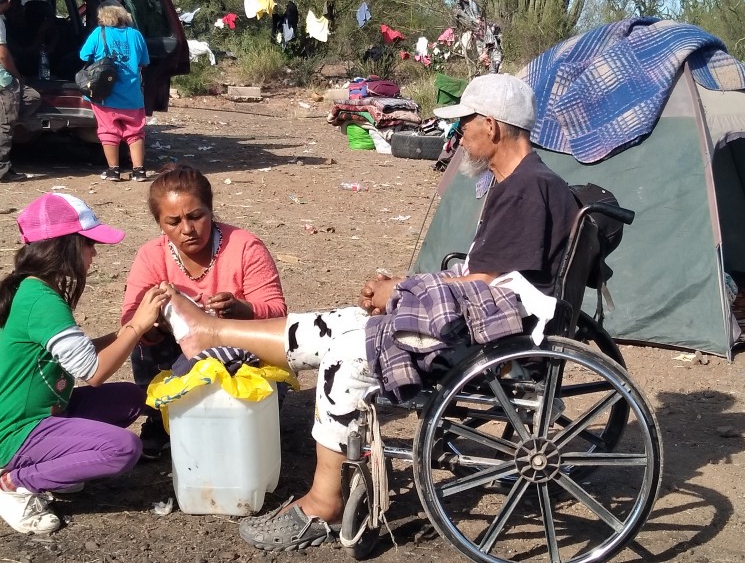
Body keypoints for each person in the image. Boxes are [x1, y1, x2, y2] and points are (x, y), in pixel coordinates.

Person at [157, 73, 579, 552]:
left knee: (350, 352)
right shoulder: (520, 182)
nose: (457, 134)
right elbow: (494, 277)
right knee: (336, 322)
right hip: (482, 323)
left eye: (464, 123)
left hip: (487, 338)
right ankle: (213, 330)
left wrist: (401, 290)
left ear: (494, 126)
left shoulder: (526, 189)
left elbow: (488, 285)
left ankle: (324, 502)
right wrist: (403, 292)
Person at [0, 193, 168, 535]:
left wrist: (123, 333)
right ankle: (15, 483)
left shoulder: (30, 288)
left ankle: (56, 470)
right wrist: (137, 325)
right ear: (65, 246)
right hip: (14, 433)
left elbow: (72, 354)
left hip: (39, 413)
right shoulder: (41, 300)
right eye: (89, 244)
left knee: (131, 398)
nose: (94, 253)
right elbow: (92, 373)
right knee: (123, 449)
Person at [121, 163, 287, 459]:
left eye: (196, 216)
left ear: (211, 211)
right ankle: (161, 419)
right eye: (173, 222)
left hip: (239, 352)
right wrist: (155, 324)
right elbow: (130, 320)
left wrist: (242, 309)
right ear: (160, 224)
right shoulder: (151, 256)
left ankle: (241, 415)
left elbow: (277, 313)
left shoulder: (245, 247)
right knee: (143, 336)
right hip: (175, 353)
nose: (187, 229)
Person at [79, 0, 149, 182]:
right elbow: (144, 62)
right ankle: (139, 171)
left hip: (105, 96)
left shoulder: (98, 33)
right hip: (132, 96)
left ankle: (113, 170)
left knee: (108, 131)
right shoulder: (136, 35)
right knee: (135, 133)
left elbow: (83, 55)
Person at [0, 0, 42, 182]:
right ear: (8, 1)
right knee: (5, 126)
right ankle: (2, 170)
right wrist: (17, 75)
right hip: (3, 81)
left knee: (31, 97)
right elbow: (2, 55)